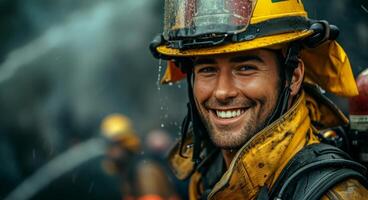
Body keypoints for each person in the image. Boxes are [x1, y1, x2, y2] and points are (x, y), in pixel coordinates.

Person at [149, 0, 368, 199]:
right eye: (207, 69)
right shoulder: (207, 174)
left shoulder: (333, 195)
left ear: (293, 77)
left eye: (245, 68)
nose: (222, 92)